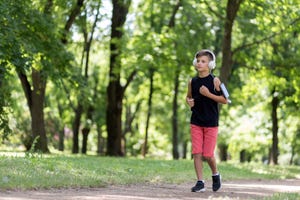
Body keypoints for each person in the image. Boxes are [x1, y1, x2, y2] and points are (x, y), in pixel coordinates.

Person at [186, 49, 228, 192]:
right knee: (196, 152)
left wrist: (208, 94)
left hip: (211, 123)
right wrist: (189, 102)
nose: (199, 63)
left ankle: (215, 174)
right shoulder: (192, 81)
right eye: (198, 61)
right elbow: (189, 97)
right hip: (196, 121)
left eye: (203, 61)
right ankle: (200, 182)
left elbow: (225, 100)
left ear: (210, 64)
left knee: (208, 154)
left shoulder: (216, 80)